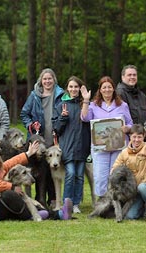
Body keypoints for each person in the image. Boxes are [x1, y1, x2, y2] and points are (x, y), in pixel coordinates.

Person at [0, 142, 73, 222]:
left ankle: (58, 213)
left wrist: (28, 154)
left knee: (20, 197)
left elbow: (9, 163)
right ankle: (31, 215)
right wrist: (12, 187)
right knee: (9, 194)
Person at [80, 76, 133, 198]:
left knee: (115, 174)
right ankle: (102, 202)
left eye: (109, 87)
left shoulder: (122, 105)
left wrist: (127, 128)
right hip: (100, 147)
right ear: (100, 90)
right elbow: (84, 118)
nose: (107, 90)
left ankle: (115, 200)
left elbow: (130, 123)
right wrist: (86, 100)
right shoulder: (93, 105)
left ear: (114, 89)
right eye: (104, 87)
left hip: (118, 146)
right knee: (100, 176)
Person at [21, 68, 63, 206]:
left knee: (52, 171)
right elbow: (24, 114)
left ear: (54, 80)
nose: (47, 81)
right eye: (45, 79)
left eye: (50, 78)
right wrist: (31, 125)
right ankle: (37, 199)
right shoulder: (34, 95)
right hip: (38, 141)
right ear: (41, 80)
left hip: (55, 139)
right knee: (39, 171)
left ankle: (52, 200)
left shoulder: (61, 95)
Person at [112, 114, 146, 222]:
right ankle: (142, 209)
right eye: (134, 137)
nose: (136, 140)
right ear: (130, 137)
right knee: (131, 216)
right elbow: (115, 168)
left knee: (142, 187)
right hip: (134, 192)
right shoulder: (124, 153)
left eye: (139, 137)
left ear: (143, 136)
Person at [55, 76, 91, 214]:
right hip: (67, 147)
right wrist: (63, 117)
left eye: (76, 87)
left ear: (80, 88)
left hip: (82, 146)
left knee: (80, 176)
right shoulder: (61, 105)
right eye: (71, 87)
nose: (73, 89)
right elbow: (57, 129)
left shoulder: (85, 105)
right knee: (70, 173)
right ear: (67, 88)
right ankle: (67, 202)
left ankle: (76, 203)